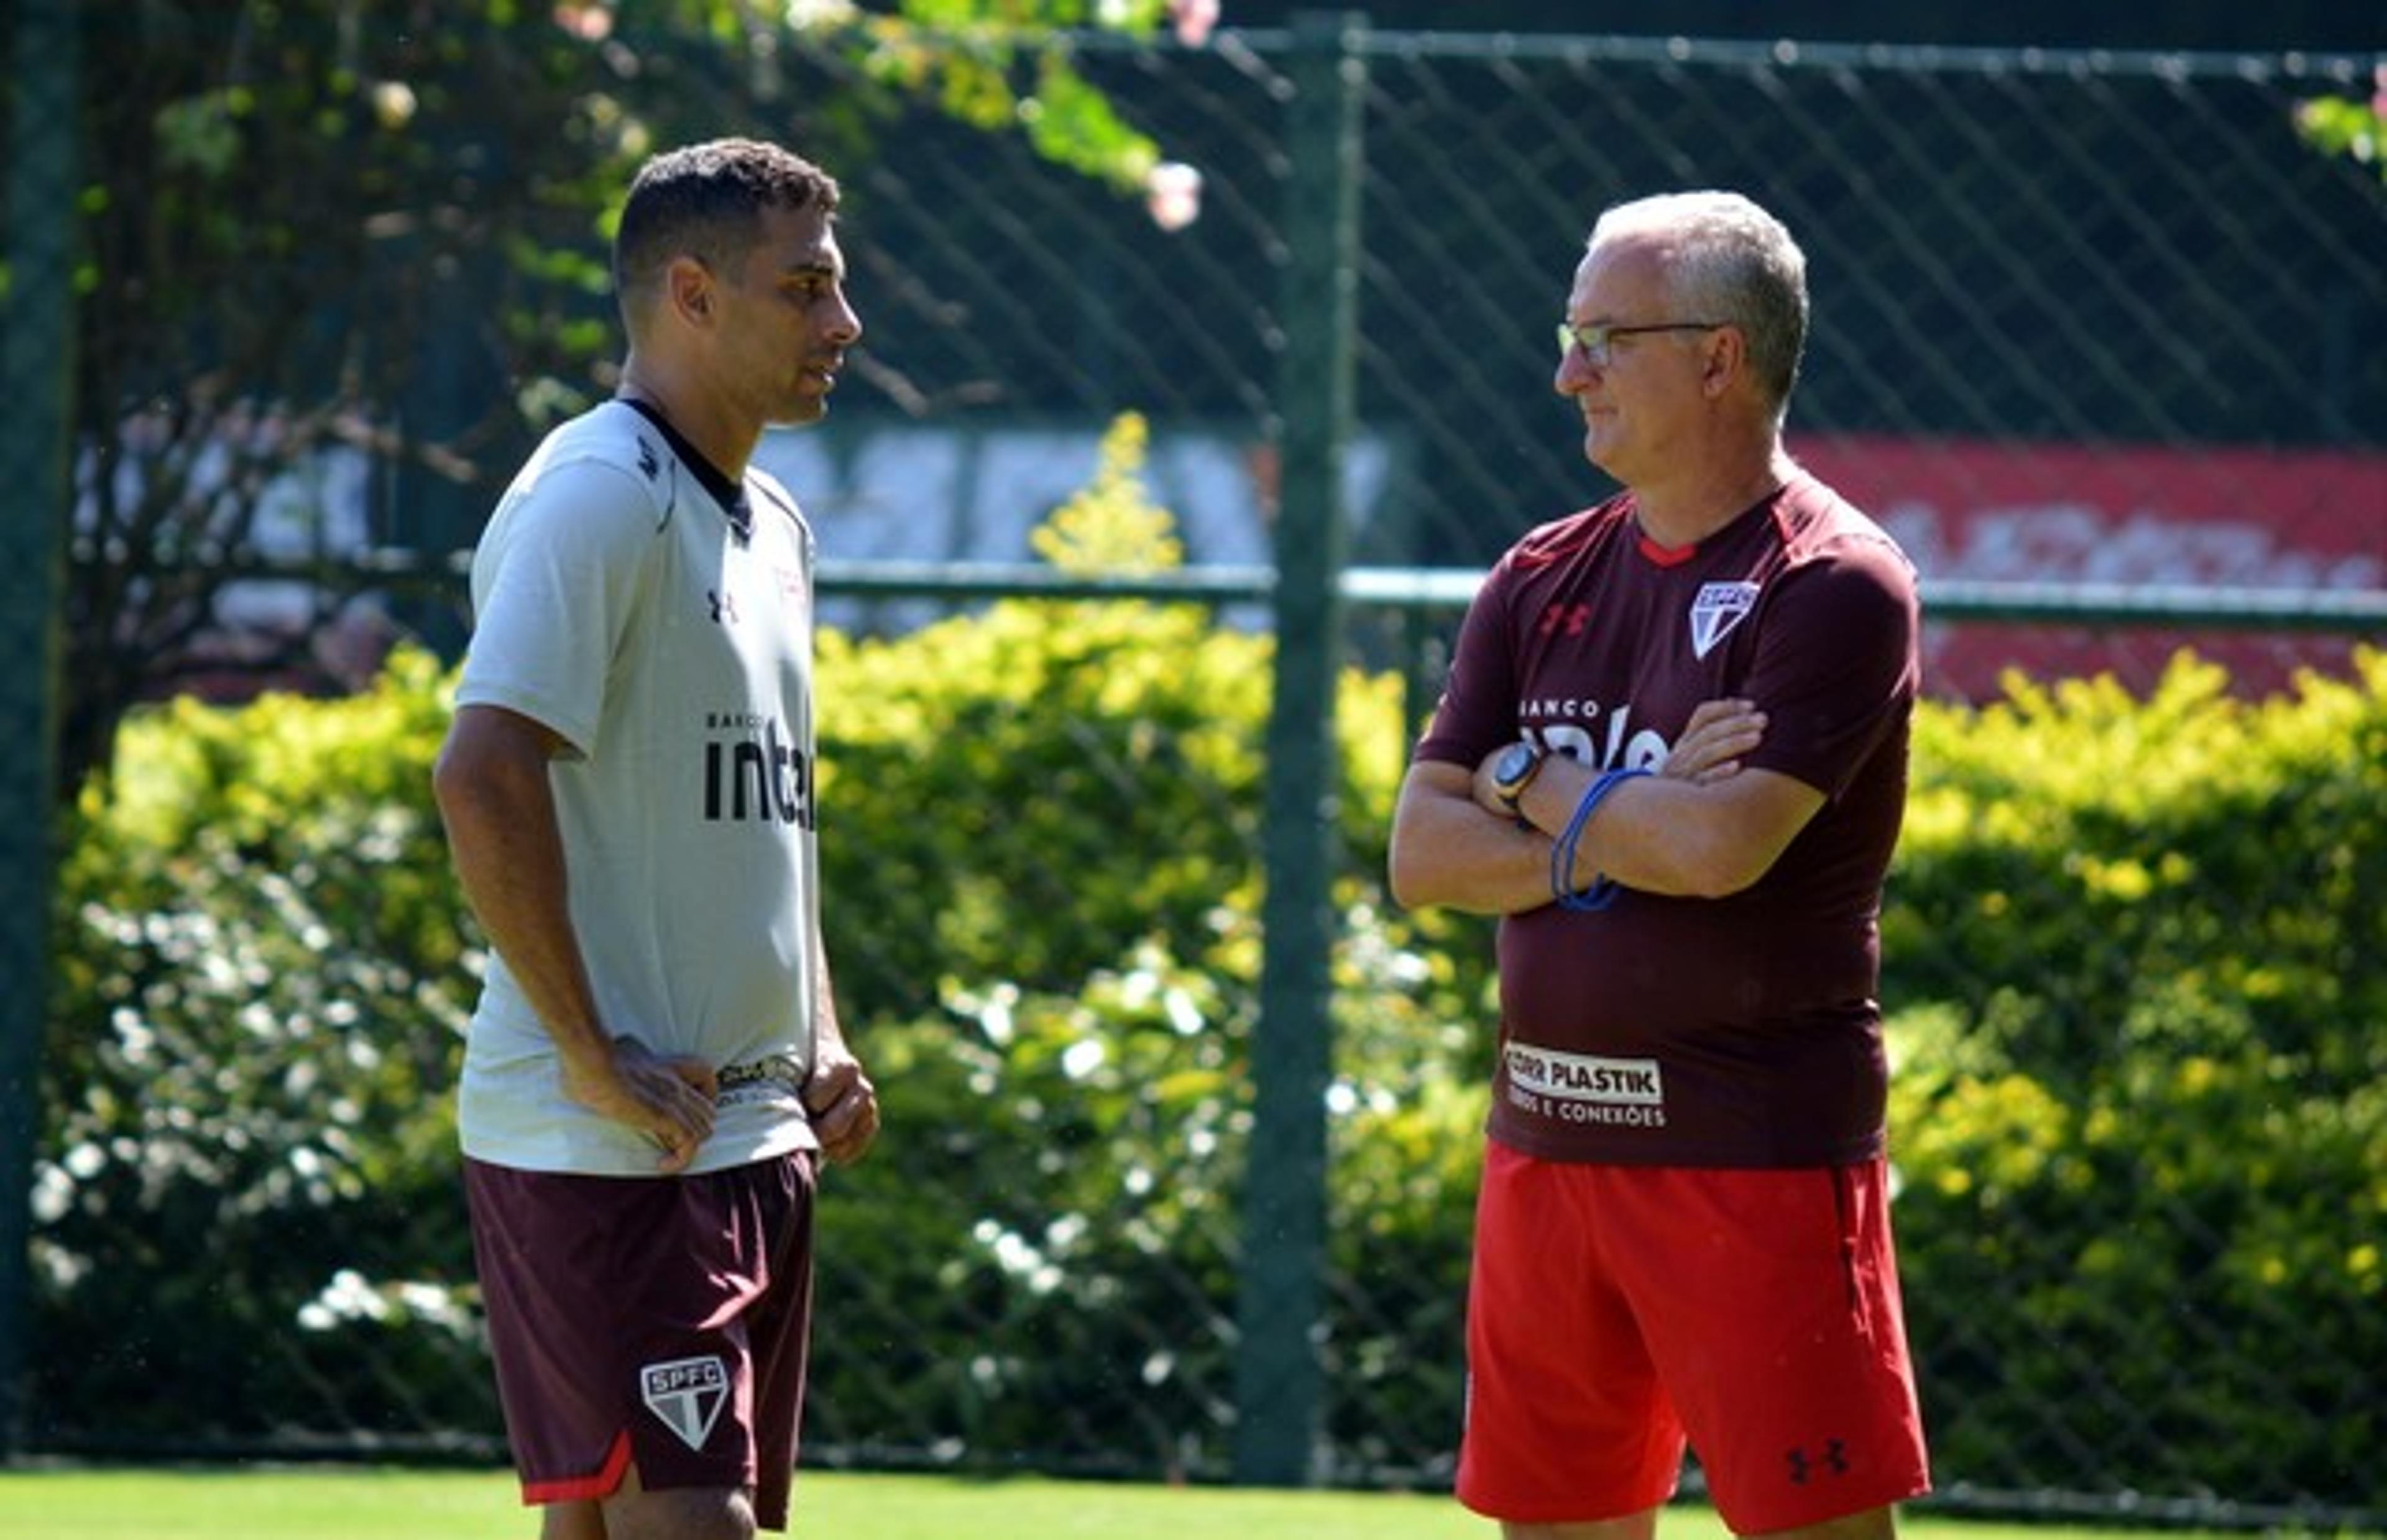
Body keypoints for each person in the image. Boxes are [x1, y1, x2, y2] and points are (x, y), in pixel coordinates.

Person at [1387, 190, 1929, 1540]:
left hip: (1752, 1159)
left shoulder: (1836, 581)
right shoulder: (1536, 573)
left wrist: (1536, 779)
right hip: (1546, 1144)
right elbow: (1422, 854)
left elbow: (1713, 851)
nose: (1567, 370)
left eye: (1601, 336)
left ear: (1717, 358)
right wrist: (1616, 814)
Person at [432, 137, 880, 1540]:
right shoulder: (600, 492)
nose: (843, 326)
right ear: (690, 293)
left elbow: (767, 815)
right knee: (694, 1528)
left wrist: (821, 1032)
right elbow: (483, 769)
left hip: (747, 1134)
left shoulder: (779, 526)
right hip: (608, 1146)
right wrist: (586, 1050)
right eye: (806, 289)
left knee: (610, 1526)